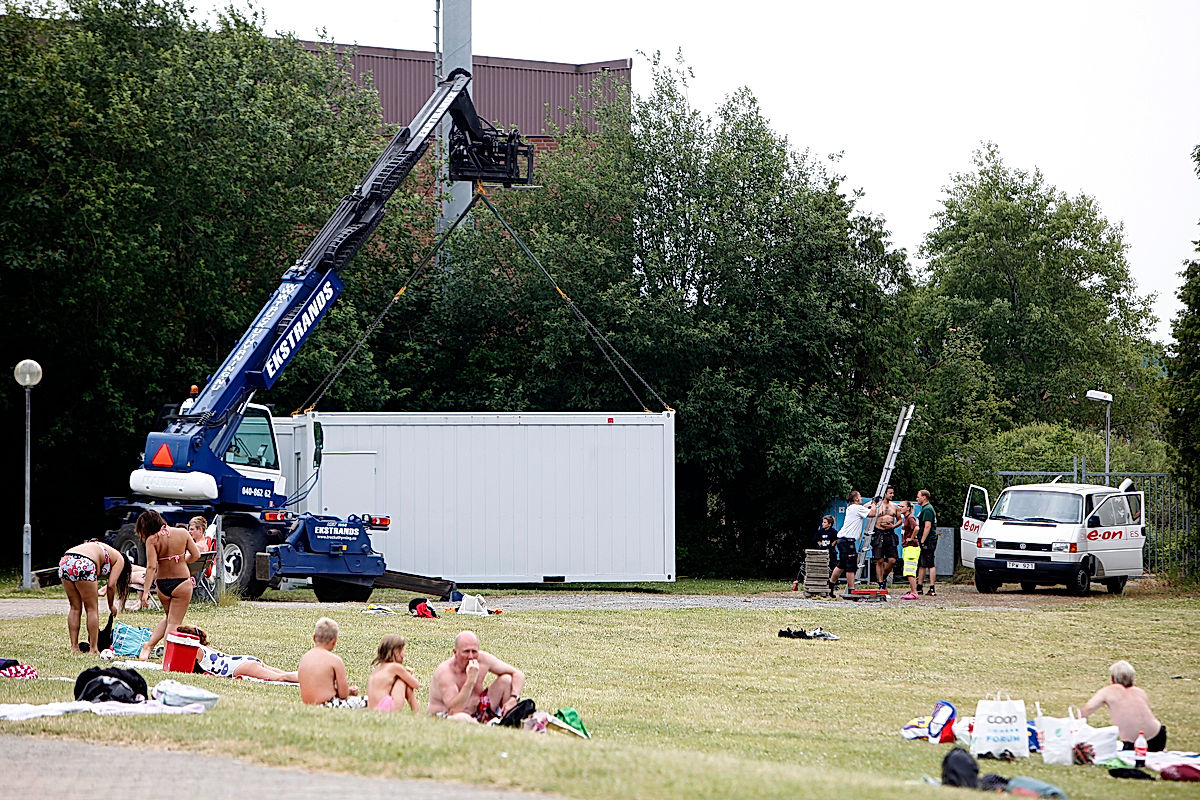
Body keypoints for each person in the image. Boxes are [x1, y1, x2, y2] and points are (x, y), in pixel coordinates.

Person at [135, 509, 200, 660]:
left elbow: (151, 567)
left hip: (162, 584)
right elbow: (196, 555)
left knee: (169, 618)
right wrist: (182, 560)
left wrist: (145, 592)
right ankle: (167, 657)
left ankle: (149, 645)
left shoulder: (152, 540)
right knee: (174, 622)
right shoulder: (182, 533)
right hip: (181, 582)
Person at [428, 630, 524, 722]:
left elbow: (518, 674)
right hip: (448, 715)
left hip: (477, 712)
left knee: (506, 680)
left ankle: (507, 720)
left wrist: (513, 698)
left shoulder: (483, 659)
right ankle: (486, 725)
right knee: (462, 717)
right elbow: (454, 710)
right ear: (455, 652)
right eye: (466, 652)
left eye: (474, 651)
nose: (470, 656)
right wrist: (470, 681)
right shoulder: (446, 672)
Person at [58, 540, 131, 654]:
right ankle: (93, 649)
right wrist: (111, 605)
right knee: (91, 609)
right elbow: (111, 585)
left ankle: (74, 647)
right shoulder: (120, 559)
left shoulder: (102, 548)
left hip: (66, 560)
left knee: (75, 608)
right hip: (85, 562)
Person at [1081, 660, 1166, 751]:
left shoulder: (1108, 691)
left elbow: (1086, 710)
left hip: (1134, 744)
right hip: (1158, 737)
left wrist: (1081, 731)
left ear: (1113, 678)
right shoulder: (1140, 692)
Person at [174, 624, 299, 682]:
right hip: (243, 661)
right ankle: (306, 676)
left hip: (239, 668)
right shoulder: (207, 648)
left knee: (281, 678)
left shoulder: (195, 650)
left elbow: (181, 668)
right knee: (283, 673)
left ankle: (310, 680)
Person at [299, 617, 362, 706]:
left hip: (308, 703)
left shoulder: (305, 658)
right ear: (335, 641)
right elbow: (343, 694)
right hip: (329, 704)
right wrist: (350, 691)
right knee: (370, 700)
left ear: (314, 637)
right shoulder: (335, 661)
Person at [828, 491, 876, 598]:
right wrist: (875, 504)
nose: (861, 498)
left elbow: (863, 507)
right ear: (856, 499)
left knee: (841, 565)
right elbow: (872, 514)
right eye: (859, 497)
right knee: (851, 566)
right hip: (848, 541)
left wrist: (870, 502)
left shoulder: (852, 508)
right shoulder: (856, 508)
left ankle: (830, 586)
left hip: (842, 540)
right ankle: (851, 590)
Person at [367, 634, 420, 712]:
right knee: (404, 679)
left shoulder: (378, 668)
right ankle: (417, 712)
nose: (404, 654)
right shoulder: (395, 667)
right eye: (403, 650)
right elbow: (416, 685)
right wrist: (409, 674)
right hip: (385, 708)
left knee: (403, 677)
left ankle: (417, 713)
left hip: (373, 709)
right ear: (396, 652)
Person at [793, 515, 837, 591]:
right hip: (821, 551)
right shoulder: (820, 532)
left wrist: (831, 546)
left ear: (829, 524)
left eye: (825, 522)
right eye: (823, 522)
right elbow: (816, 538)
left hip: (831, 552)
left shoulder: (833, 532)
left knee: (832, 567)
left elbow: (836, 539)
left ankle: (833, 583)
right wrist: (820, 544)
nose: (823, 524)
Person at [871, 486, 900, 590]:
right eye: (890, 493)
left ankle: (883, 577)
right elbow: (867, 510)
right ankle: (880, 583)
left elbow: (899, 519)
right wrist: (873, 501)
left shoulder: (895, 506)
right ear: (885, 493)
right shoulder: (878, 506)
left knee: (892, 560)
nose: (892, 495)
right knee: (879, 560)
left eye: (893, 493)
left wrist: (894, 526)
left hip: (890, 533)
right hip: (879, 532)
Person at [915, 489, 939, 596]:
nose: (917, 498)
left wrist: (923, 540)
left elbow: (927, 526)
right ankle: (919, 587)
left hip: (929, 540)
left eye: (918, 496)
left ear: (924, 497)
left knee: (930, 563)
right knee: (922, 563)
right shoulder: (924, 509)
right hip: (925, 539)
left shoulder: (928, 509)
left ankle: (932, 587)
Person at [897, 501, 921, 599]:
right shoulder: (906, 518)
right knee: (908, 570)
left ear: (908, 508)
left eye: (902, 506)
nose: (900, 508)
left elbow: (916, 528)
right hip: (908, 548)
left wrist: (911, 538)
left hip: (911, 547)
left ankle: (914, 592)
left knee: (910, 570)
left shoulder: (910, 518)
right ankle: (912, 590)